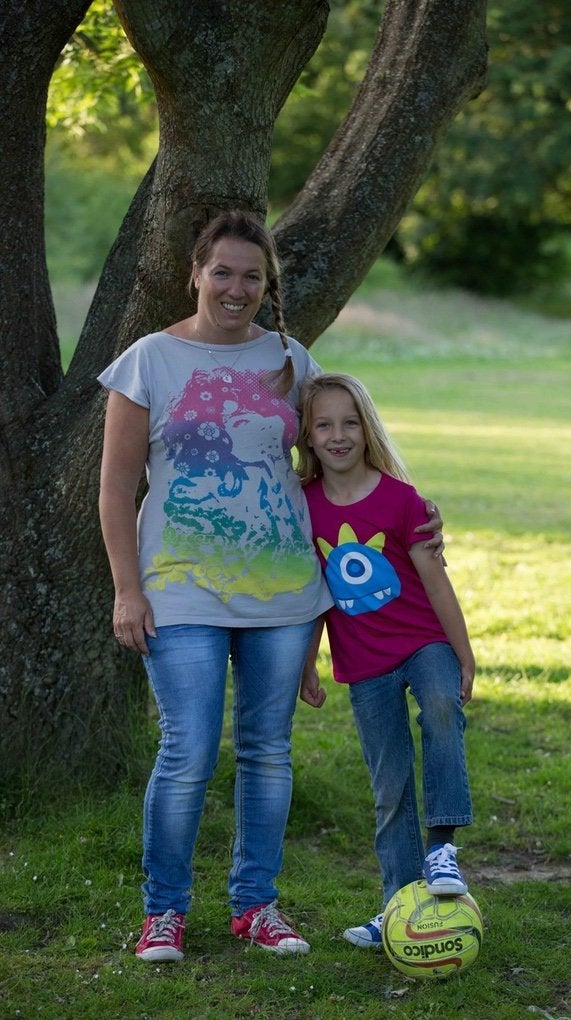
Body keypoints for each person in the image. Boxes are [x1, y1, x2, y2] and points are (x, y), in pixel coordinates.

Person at [98, 211, 443, 962]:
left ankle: (256, 906)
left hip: (284, 589)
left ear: (268, 284)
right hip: (178, 587)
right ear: (194, 273)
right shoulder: (148, 360)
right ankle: (164, 913)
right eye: (222, 271)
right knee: (187, 749)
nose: (236, 287)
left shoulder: (292, 358)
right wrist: (129, 590)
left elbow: (336, 461)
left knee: (266, 751)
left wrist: (412, 510)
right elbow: (117, 484)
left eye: (252, 275)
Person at [297, 373, 475, 949]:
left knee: (443, 709)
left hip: (425, 643)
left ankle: (442, 849)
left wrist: (465, 655)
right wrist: (309, 663)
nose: (338, 434)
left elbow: (437, 583)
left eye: (350, 422)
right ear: (307, 433)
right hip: (364, 662)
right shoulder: (304, 506)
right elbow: (316, 596)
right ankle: (400, 904)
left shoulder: (402, 501)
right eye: (324, 424)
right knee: (390, 783)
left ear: (366, 428)